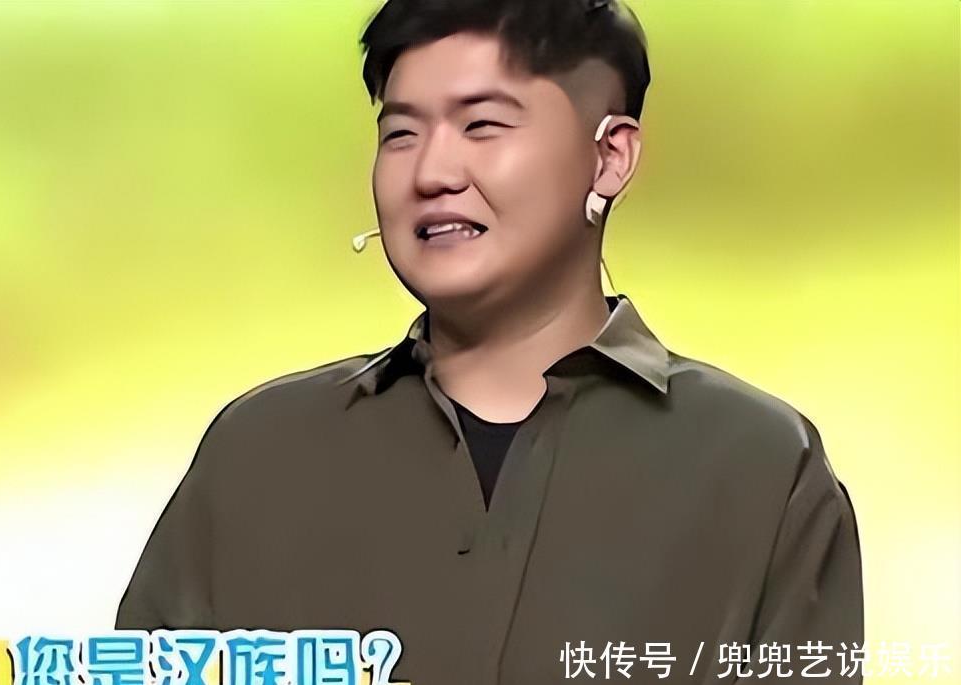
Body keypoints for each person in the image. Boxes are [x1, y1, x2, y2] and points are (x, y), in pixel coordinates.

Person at [116, 0, 864, 682]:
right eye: (401, 133)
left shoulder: (759, 468)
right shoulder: (259, 452)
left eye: (482, 125)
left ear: (610, 157)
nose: (432, 172)